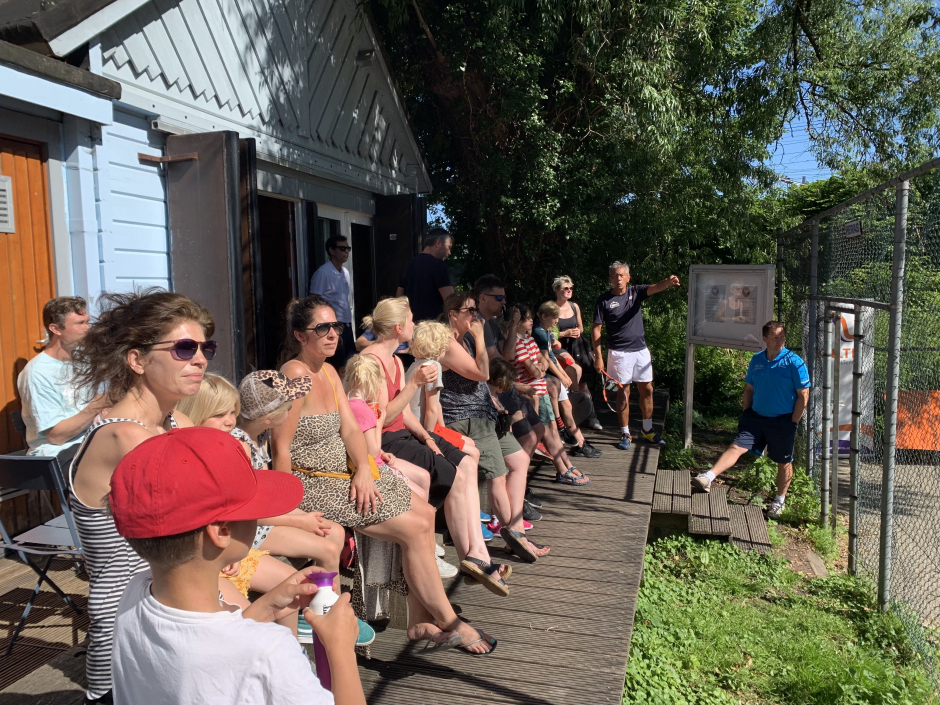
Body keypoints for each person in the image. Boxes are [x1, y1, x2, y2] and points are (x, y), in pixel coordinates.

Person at [273, 295, 498, 653]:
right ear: (300, 336)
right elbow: (280, 447)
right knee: (413, 525)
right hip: (313, 483)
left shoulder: (330, 372)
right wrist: (290, 510)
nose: (333, 334)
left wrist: (364, 467)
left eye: (337, 327)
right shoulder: (295, 374)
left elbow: (350, 430)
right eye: (322, 328)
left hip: (346, 474)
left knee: (424, 514)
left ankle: (419, 620)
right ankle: (448, 621)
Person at [108, 427, 366, 705]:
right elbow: (237, 652)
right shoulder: (268, 652)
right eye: (255, 508)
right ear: (222, 531)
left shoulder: (134, 595)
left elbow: (209, 647)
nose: (262, 516)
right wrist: (341, 652)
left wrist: (266, 606)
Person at [68, 289, 214, 703]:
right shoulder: (124, 436)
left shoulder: (176, 422)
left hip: (175, 611)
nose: (200, 359)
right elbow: (213, 506)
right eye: (185, 348)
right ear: (137, 360)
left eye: (206, 347)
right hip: (130, 632)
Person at [177, 372, 353, 642]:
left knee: (327, 542)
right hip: (235, 541)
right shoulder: (235, 447)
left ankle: (308, 635)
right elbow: (242, 511)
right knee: (326, 546)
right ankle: (326, 620)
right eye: (219, 414)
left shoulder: (252, 440)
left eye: (232, 412)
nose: (229, 420)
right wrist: (298, 520)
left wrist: (300, 516)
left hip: (236, 538)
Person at [359, 297, 509, 592]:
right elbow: (381, 417)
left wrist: (428, 437)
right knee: (456, 473)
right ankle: (473, 557)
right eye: (412, 320)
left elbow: (404, 415)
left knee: (466, 460)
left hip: (404, 433)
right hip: (385, 440)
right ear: (399, 327)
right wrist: (414, 386)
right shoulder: (373, 363)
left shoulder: (396, 362)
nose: (415, 325)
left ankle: (477, 554)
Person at [441, 292, 549, 563]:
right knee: (498, 474)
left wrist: (492, 399)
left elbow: (481, 380)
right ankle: (515, 534)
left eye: (476, 312)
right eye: (469, 312)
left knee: (520, 460)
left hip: (485, 413)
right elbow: (481, 373)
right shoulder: (445, 341)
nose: (475, 317)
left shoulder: (464, 338)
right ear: (453, 314)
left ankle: (515, 529)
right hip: (466, 417)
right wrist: (479, 336)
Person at [693, 321, 810, 519]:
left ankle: (779, 501)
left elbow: (803, 394)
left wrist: (793, 422)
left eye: (782, 336)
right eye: (775, 336)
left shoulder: (794, 362)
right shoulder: (757, 360)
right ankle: (708, 477)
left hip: (783, 421)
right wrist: (747, 413)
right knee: (737, 446)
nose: (779, 340)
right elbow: (749, 389)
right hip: (755, 417)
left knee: (784, 461)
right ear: (764, 339)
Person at [592, 261, 681, 450]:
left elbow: (656, 287)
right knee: (623, 393)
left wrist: (669, 281)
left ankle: (647, 430)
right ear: (610, 279)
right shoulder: (603, 300)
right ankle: (625, 433)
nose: (618, 279)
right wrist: (598, 356)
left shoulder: (635, 292)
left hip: (641, 351)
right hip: (618, 353)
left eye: (621, 275)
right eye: (615, 275)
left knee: (647, 389)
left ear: (628, 277)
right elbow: (596, 329)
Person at [17, 296, 107, 465]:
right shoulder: (37, 373)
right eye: (80, 323)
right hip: (58, 454)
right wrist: (97, 404)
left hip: (91, 441)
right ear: (55, 329)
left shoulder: (82, 360)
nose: (87, 328)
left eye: (87, 322)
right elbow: (56, 436)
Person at [511, 304, 590, 487]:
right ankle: (562, 470)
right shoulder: (518, 343)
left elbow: (544, 361)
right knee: (547, 432)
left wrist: (539, 367)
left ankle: (567, 465)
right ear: (519, 321)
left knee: (553, 429)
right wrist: (539, 367)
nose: (531, 321)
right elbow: (535, 371)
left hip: (542, 390)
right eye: (528, 318)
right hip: (533, 391)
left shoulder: (529, 340)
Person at [535, 301, 602, 459]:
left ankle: (581, 442)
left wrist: (564, 375)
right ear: (544, 316)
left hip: (554, 375)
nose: (557, 321)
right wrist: (560, 375)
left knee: (568, 409)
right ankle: (572, 440)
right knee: (563, 410)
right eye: (554, 318)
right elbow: (546, 359)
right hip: (546, 378)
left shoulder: (546, 330)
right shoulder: (538, 332)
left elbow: (552, 356)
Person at [553, 277, 603, 434]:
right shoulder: (552, 309)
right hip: (560, 349)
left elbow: (581, 327)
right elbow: (550, 334)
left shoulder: (574, 307)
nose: (569, 291)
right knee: (568, 383)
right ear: (557, 290)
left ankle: (591, 415)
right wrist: (565, 333)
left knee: (583, 385)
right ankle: (572, 419)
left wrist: (576, 332)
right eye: (565, 288)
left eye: (571, 288)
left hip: (578, 346)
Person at [309, 234, 355, 371]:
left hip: (346, 325)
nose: (346, 252)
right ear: (331, 250)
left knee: (350, 364)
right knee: (336, 365)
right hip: (333, 327)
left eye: (348, 248)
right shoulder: (323, 273)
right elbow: (313, 301)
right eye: (342, 248)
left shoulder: (346, 272)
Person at [396, 228, 455, 322]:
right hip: (433, 327)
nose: (449, 253)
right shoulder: (438, 265)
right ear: (438, 243)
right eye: (449, 247)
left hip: (411, 326)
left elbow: (399, 299)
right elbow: (451, 301)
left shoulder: (408, 265)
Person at [473, 274, 520, 364]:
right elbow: (494, 359)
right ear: (482, 298)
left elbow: (508, 354)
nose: (504, 302)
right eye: (499, 298)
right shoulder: (478, 322)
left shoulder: (492, 321)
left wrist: (514, 325)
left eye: (504, 298)